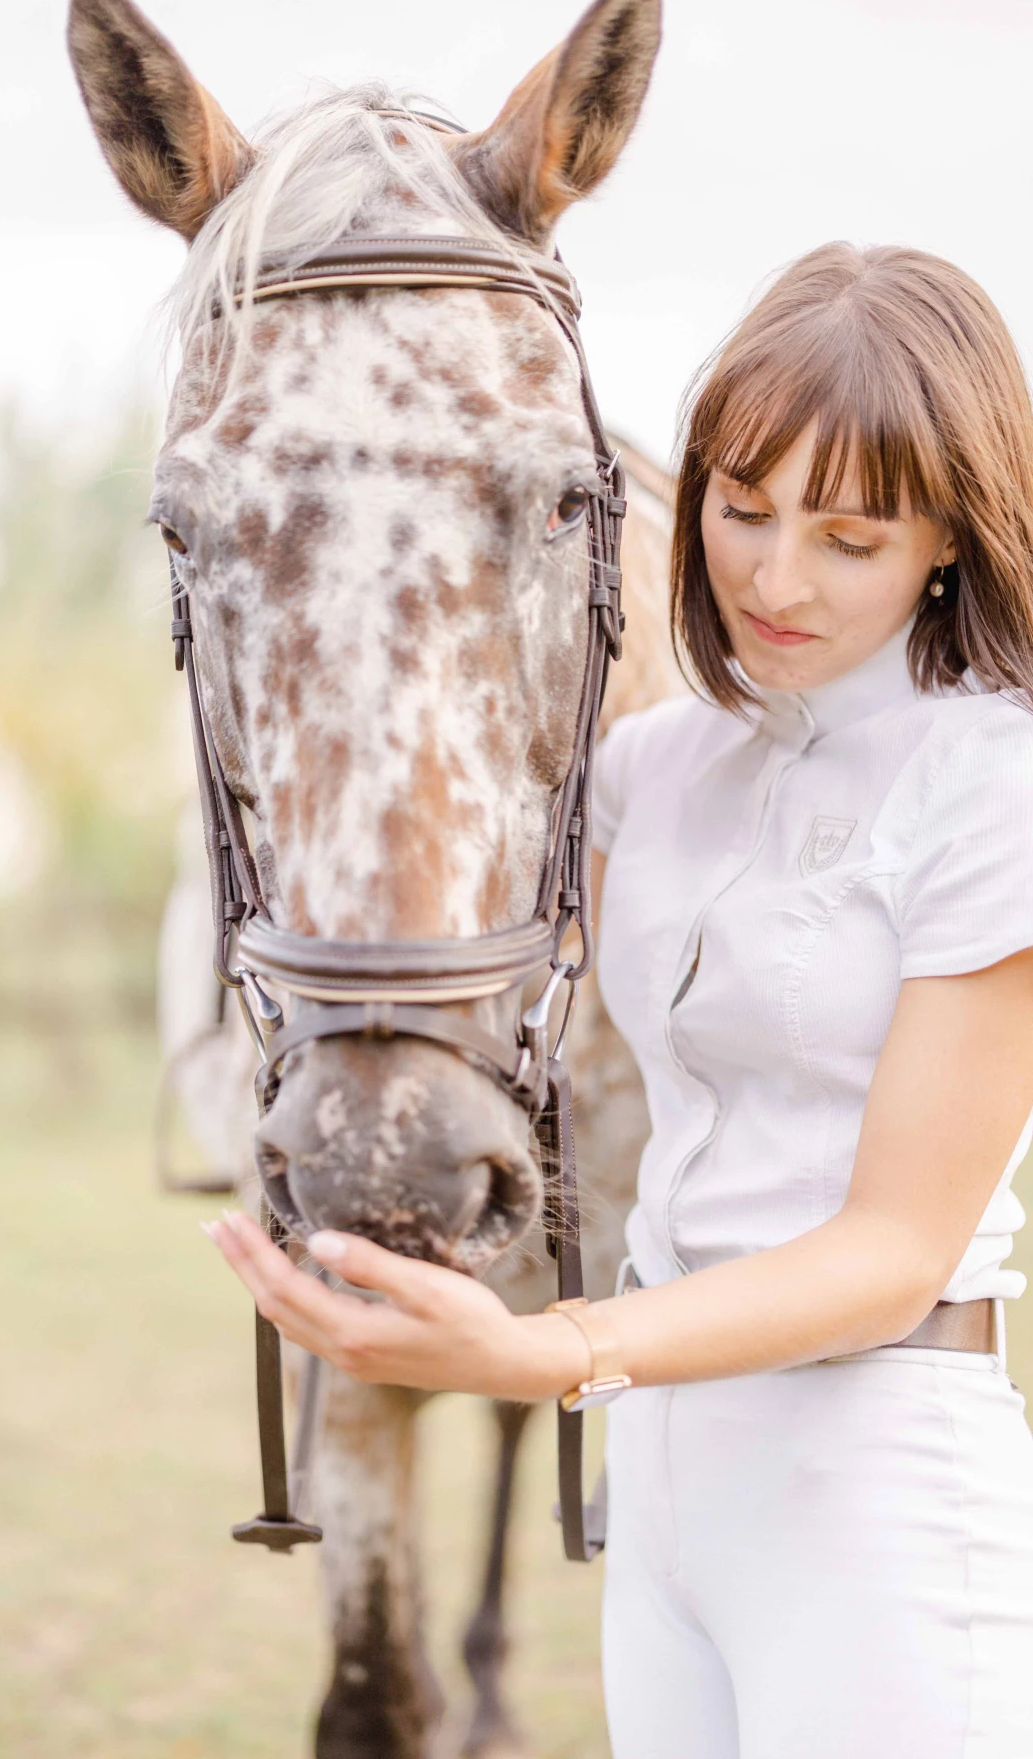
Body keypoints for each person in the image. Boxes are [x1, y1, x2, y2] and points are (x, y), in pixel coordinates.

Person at [204, 244, 1033, 1756]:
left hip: (874, 1479)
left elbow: (894, 1252)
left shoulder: (996, 783)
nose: (776, 581)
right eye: (741, 509)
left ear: (947, 544)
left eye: (850, 538)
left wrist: (543, 1353)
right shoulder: (660, 768)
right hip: (661, 1487)